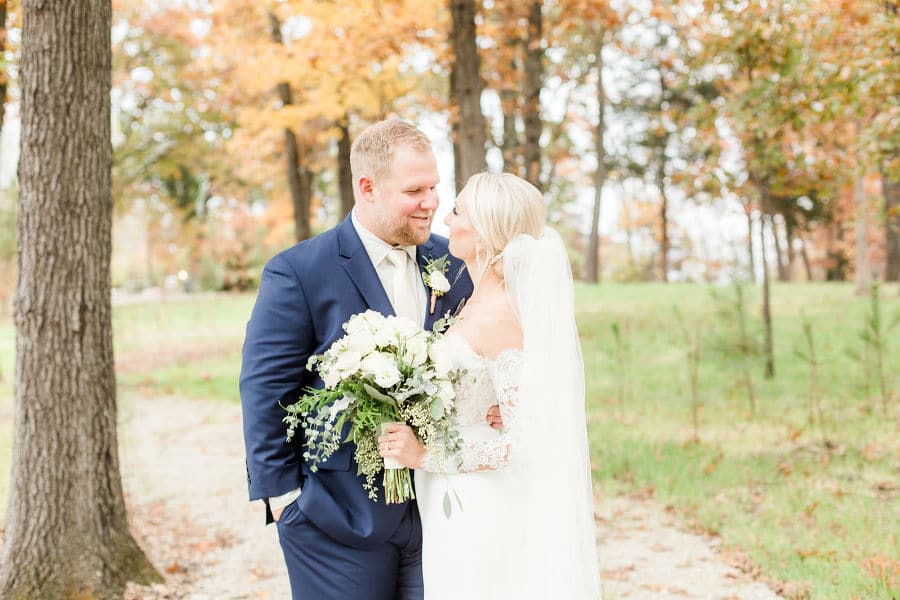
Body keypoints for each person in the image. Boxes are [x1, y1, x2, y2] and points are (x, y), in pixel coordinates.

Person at [239, 119, 474, 600]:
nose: (432, 202)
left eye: (434, 186)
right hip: (336, 524)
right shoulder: (299, 271)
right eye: (415, 190)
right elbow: (265, 390)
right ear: (367, 187)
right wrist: (285, 501)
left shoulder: (454, 263)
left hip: (443, 513)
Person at [380, 172, 602, 599]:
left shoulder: (499, 315)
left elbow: (526, 443)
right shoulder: (473, 299)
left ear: (485, 228)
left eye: (458, 210)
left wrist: (425, 454)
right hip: (452, 495)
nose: (446, 217)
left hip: (478, 501)